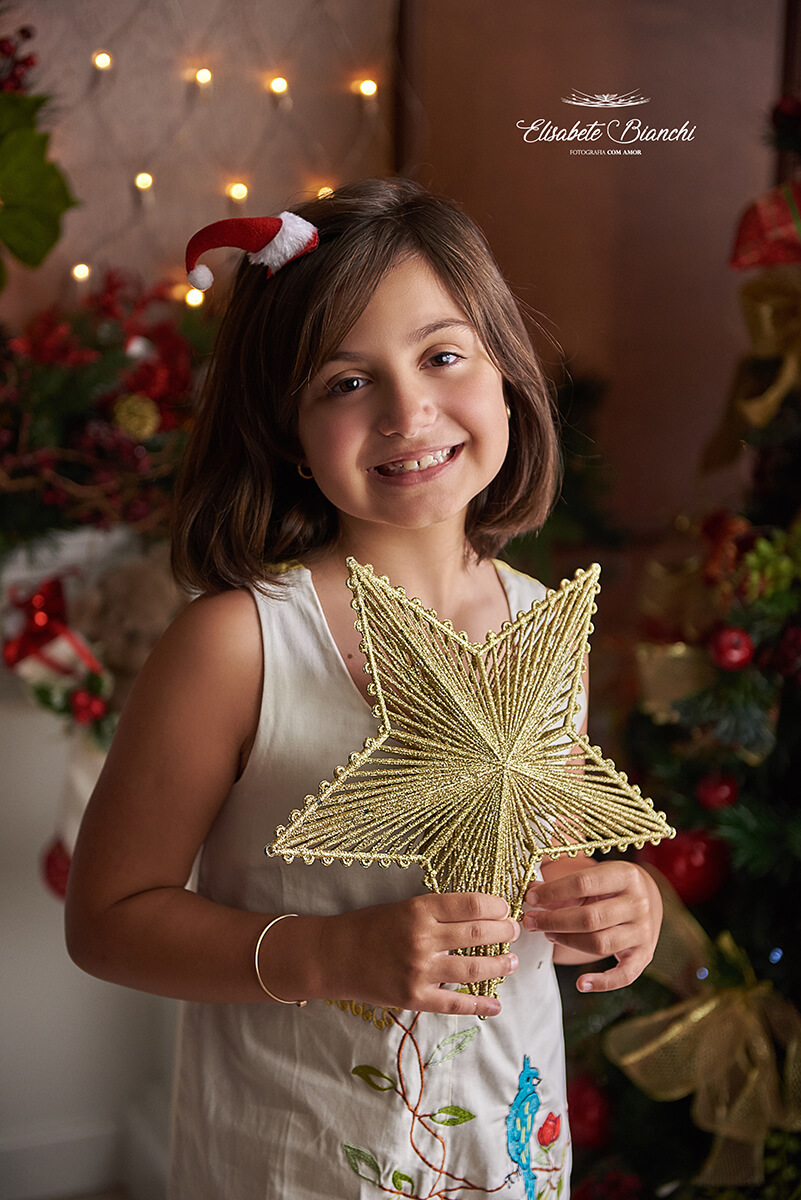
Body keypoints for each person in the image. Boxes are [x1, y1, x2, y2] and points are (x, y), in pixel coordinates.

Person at [65, 177, 663, 1200]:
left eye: (442, 355)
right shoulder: (238, 643)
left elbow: (547, 872)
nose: (407, 410)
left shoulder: (539, 622)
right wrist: (329, 953)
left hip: (505, 1156)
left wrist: (620, 905)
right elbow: (108, 917)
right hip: (298, 1161)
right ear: (286, 431)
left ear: (505, 372)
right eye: (347, 383)